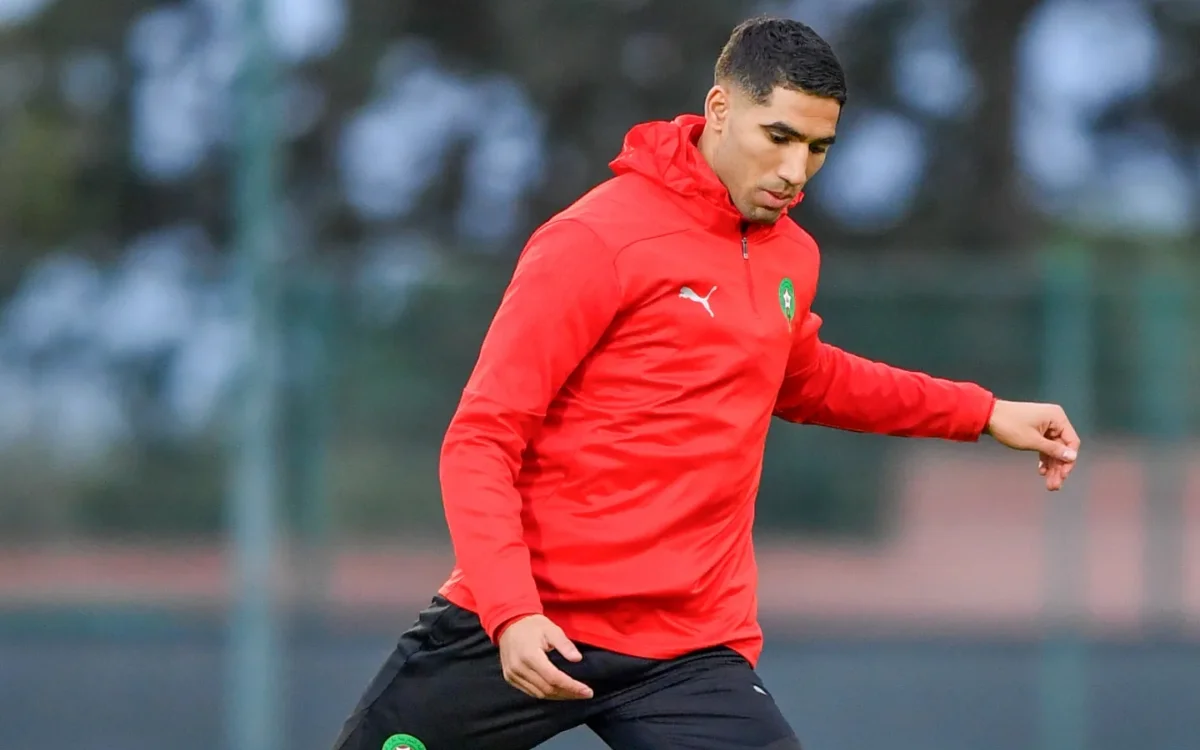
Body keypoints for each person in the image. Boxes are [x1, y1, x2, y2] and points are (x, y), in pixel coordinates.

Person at [332, 15, 1080, 750]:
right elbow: (481, 438)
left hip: (687, 646)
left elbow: (805, 377)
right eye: (779, 137)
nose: (795, 170)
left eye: (819, 148)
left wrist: (983, 413)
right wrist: (511, 613)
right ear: (720, 109)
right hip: (529, 620)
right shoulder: (595, 239)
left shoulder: (792, 254)